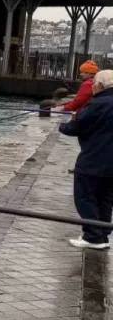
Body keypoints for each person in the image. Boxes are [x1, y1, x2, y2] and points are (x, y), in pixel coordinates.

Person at [59, 69, 113, 249]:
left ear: (99, 85)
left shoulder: (98, 103)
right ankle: (102, 234)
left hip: (93, 160)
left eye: (95, 85)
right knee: (105, 199)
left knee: (85, 197)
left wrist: (65, 124)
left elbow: (74, 128)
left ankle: (93, 237)